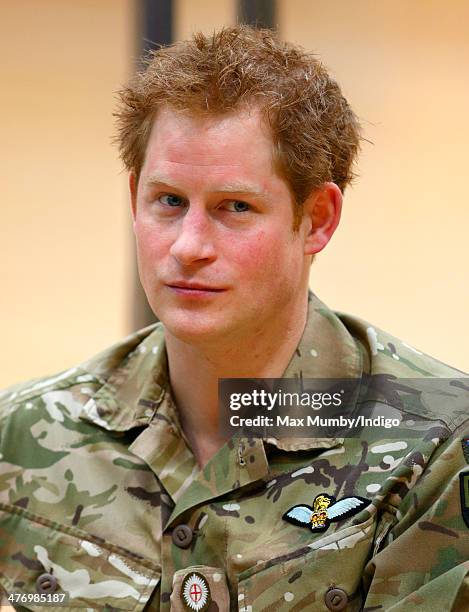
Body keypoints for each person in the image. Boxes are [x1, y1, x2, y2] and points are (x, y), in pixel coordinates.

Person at [0, 25, 468, 612]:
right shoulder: (21, 438)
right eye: (169, 200)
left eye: (235, 207)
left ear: (317, 219)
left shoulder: (436, 453)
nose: (188, 246)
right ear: (133, 198)